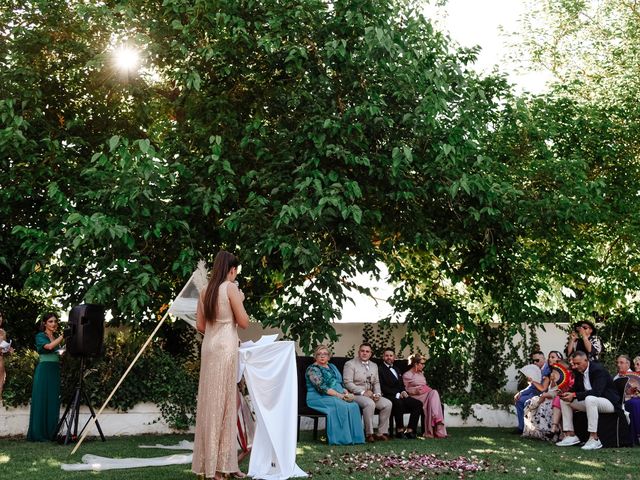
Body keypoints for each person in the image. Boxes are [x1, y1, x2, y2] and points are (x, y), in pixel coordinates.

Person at [192, 251, 249, 480]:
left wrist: (218, 329)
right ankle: (218, 469)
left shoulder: (206, 290)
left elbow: (200, 325)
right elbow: (244, 322)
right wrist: (240, 303)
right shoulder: (230, 288)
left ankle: (224, 464)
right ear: (231, 269)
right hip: (225, 348)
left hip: (210, 347)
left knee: (212, 403)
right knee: (224, 405)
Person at [556, 351, 620, 450]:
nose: (576, 366)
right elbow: (577, 389)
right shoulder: (578, 371)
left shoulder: (598, 370)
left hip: (609, 402)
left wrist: (574, 395)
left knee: (590, 399)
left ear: (586, 360)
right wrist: (567, 393)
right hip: (591, 402)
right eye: (574, 363)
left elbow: (597, 392)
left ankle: (594, 438)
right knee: (564, 400)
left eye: (578, 363)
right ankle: (571, 435)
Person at [305, 345, 364, 445]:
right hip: (318, 397)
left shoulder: (332, 366)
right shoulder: (312, 369)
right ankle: (342, 439)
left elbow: (339, 383)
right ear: (315, 356)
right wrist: (338, 395)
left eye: (325, 354)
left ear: (329, 356)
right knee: (340, 405)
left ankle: (355, 438)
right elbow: (321, 387)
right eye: (319, 354)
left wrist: (344, 391)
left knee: (354, 405)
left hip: (336, 394)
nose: (322, 356)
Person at [343, 343, 393, 443]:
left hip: (371, 394)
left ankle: (381, 433)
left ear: (370, 354)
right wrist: (362, 392)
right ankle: (369, 433)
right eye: (362, 351)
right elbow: (347, 383)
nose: (364, 353)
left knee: (387, 404)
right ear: (358, 352)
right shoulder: (350, 364)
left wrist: (377, 394)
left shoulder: (374, 365)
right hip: (355, 395)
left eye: (367, 351)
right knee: (369, 404)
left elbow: (376, 382)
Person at [26, 312, 64, 441]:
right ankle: (38, 434)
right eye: (51, 321)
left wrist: (64, 349)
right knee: (41, 400)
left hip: (54, 369)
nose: (54, 324)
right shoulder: (40, 336)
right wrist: (64, 336)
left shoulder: (56, 337)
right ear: (45, 323)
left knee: (53, 400)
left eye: (55, 321)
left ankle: (51, 433)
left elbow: (57, 351)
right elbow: (49, 347)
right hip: (44, 370)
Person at [522, 352, 568, 441]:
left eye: (552, 357)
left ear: (558, 359)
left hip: (556, 396)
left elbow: (559, 389)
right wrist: (533, 381)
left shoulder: (564, 372)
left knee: (544, 405)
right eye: (549, 357)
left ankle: (554, 432)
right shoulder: (549, 372)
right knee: (530, 403)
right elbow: (543, 388)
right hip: (548, 395)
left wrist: (553, 382)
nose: (550, 359)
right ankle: (537, 432)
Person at [378, 348, 423, 439]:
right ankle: (400, 430)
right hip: (388, 395)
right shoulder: (380, 369)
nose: (389, 357)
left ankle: (410, 430)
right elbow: (382, 386)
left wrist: (403, 391)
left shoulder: (396, 369)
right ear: (383, 357)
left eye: (391, 356)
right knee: (398, 403)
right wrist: (397, 394)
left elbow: (401, 384)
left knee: (418, 404)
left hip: (400, 394)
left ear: (394, 357)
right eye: (386, 356)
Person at [403, 353, 447, 438]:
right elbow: (404, 389)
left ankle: (436, 419)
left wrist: (426, 389)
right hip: (416, 397)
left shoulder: (421, 373)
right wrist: (415, 390)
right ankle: (437, 420)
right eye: (422, 363)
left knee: (433, 392)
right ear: (416, 364)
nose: (423, 365)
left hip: (426, 395)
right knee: (434, 392)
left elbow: (424, 385)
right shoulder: (407, 375)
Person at [514, 351, 547, 434]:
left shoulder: (548, 370)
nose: (535, 362)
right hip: (534, 391)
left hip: (543, 394)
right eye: (533, 361)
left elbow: (543, 388)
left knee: (525, 401)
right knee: (519, 399)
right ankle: (521, 427)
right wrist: (520, 393)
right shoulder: (536, 369)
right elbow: (531, 386)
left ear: (544, 359)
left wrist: (533, 382)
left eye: (537, 360)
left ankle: (528, 428)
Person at [614, 354, 640, 445]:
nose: (618, 365)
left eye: (621, 362)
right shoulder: (616, 377)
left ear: (628, 365)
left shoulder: (633, 376)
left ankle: (637, 435)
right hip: (621, 402)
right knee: (631, 404)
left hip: (631, 400)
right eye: (617, 363)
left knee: (633, 403)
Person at [0, 310, 14, 401]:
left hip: (0, 360)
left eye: (0, 316)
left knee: (0, 383)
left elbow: (3, 348)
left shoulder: (3, 332)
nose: (0, 318)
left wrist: (8, 349)